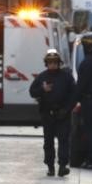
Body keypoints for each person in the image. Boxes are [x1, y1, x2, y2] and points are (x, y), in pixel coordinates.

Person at [29, 49, 78, 177]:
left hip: (63, 114)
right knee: (48, 141)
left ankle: (62, 166)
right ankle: (50, 166)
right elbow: (32, 91)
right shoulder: (42, 77)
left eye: (55, 62)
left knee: (63, 140)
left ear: (59, 63)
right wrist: (42, 89)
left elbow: (74, 95)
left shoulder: (67, 77)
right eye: (50, 62)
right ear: (46, 63)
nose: (53, 65)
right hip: (47, 114)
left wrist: (67, 109)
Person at [76, 34, 92, 169]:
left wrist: (72, 102)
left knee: (91, 131)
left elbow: (81, 85)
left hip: (90, 101)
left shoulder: (86, 63)